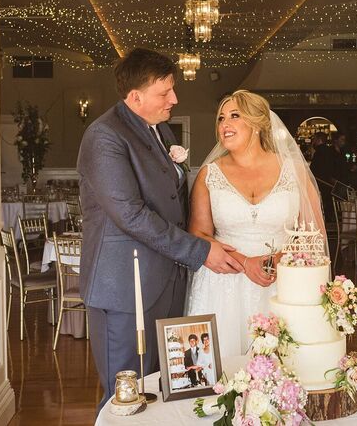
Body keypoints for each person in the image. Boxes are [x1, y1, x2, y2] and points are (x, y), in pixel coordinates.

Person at [77, 48, 243, 411]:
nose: (175, 99)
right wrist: (200, 252)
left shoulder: (159, 129)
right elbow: (132, 215)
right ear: (135, 97)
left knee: (161, 393)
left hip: (165, 280)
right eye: (164, 92)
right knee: (127, 397)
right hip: (124, 289)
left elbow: (171, 198)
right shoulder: (104, 137)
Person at [187, 90, 326, 356]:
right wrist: (245, 262)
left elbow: (314, 235)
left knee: (284, 366)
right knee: (225, 371)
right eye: (220, 118)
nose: (224, 125)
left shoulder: (293, 170)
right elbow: (199, 233)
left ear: (258, 123)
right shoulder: (209, 174)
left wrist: (279, 260)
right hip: (223, 283)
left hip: (282, 281)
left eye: (235, 116)